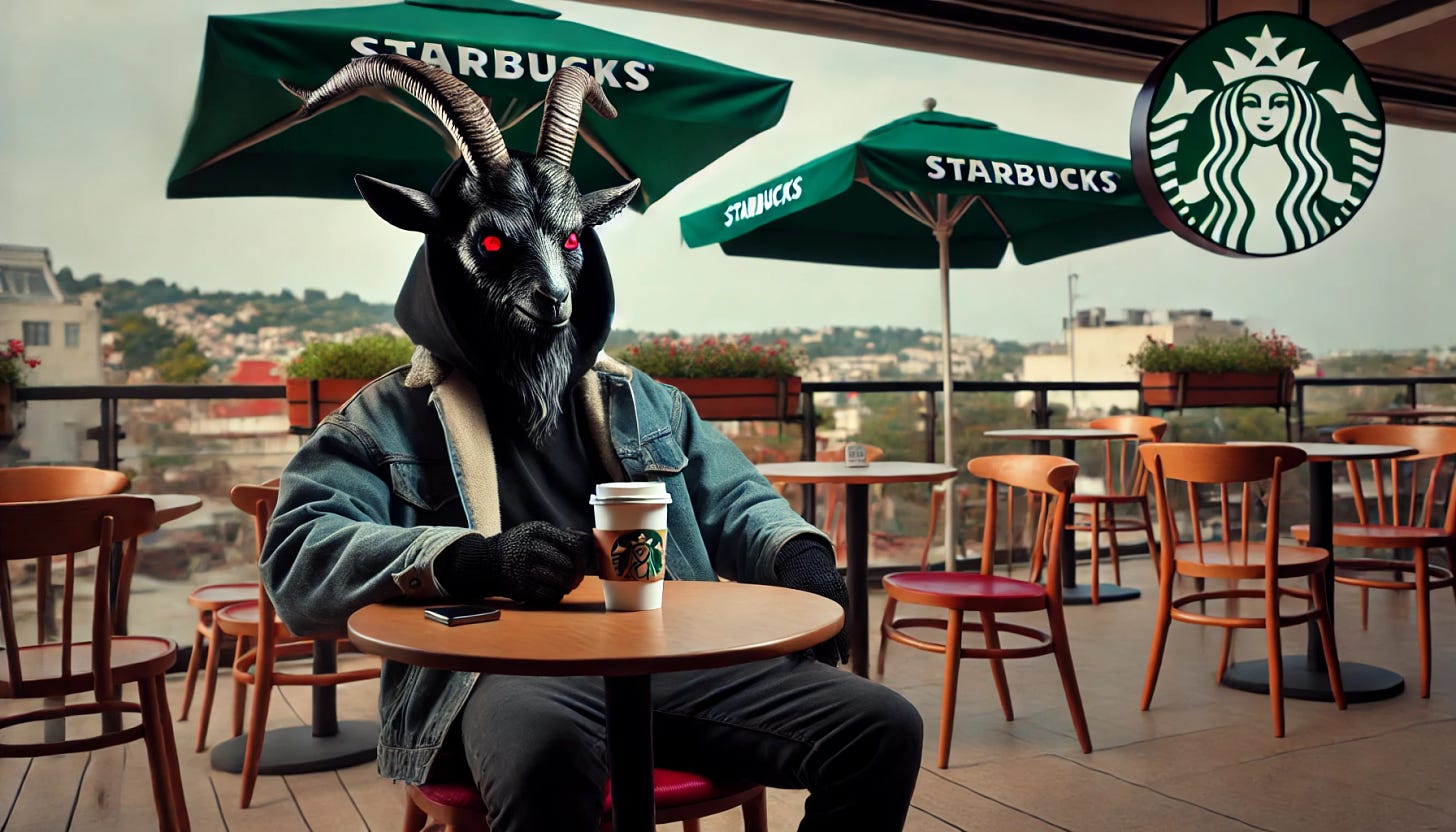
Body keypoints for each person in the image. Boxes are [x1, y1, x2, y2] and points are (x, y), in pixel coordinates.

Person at [256, 57, 922, 832]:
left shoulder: (645, 402)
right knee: (545, 757)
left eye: (567, 245)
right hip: (504, 674)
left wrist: (799, 558)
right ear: (444, 251)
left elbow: (738, 497)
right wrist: (473, 559)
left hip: (673, 654)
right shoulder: (384, 421)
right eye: (502, 250)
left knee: (880, 728)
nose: (554, 285)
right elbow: (298, 558)